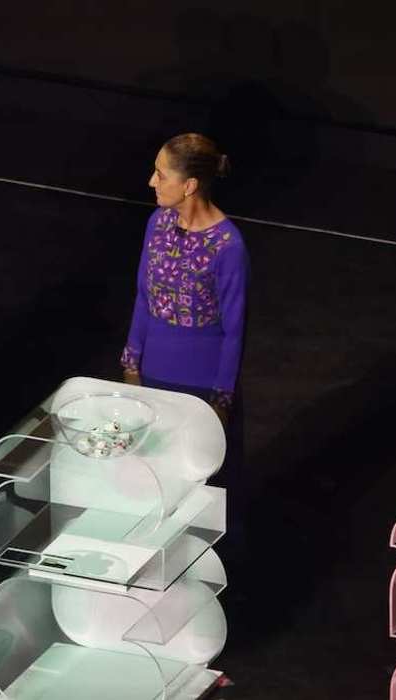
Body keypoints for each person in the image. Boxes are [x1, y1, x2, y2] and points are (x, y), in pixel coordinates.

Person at [121, 133, 249, 482]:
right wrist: (132, 367)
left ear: (189, 184)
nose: (152, 181)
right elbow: (143, 296)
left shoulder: (228, 246)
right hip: (152, 372)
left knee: (194, 480)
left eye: (161, 174)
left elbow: (234, 331)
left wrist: (220, 405)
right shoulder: (157, 223)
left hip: (199, 383)